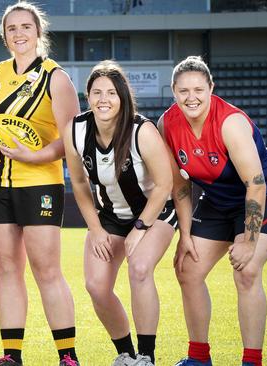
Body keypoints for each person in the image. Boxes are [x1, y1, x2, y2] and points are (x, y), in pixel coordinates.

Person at [159, 56, 267, 366]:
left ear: (211, 88)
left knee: (246, 270)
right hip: (218, 200)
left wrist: (247, 238)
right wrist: (185, 235)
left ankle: (252, 361)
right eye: (183, 91)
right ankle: (199, 358)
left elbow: (256, 184)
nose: (191, 98)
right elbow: (179, 186)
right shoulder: (167, 123)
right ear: (173, 91)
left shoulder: (229, 122)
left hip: (265, 194)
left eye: (198, 90)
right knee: (187, 268)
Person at [0, 3, 81, 365]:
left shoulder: (56, 78)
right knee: (7, 269)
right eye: (12, 28)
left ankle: (68, 355)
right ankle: (11, 355)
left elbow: (71, 139)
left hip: (40, 183)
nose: (19, 33)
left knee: (47, 270)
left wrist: (33, 157)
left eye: (25, 27)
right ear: (4, 36)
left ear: (38, 32)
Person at [63, 60, 176, 366]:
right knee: (96, 286)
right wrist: (96, 229)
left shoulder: (142, 130)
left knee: (139, 268)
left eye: (111, 93)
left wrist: (141, 227)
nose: (103, 99)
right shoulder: (76, 129)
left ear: (123, 97)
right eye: (97, 92)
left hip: (153, 212)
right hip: (110, 216)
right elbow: (78, 182)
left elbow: (165, 184)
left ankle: (146, 356)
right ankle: (126, 354)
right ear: (88, 96)